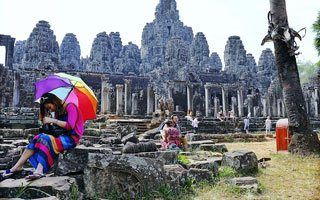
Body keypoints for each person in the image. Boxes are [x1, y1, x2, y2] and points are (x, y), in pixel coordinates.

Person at [1, 93, 84, 180]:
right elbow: (58, 127)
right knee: (37, 138)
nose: (50, 110)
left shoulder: (71, 107)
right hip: (60, 136)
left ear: (54, 102)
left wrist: (52, 120)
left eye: (49, 107)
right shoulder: (58, 112)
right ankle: (17, 166)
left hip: (71, 138)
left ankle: (39, 170)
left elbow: (70, 125)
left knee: (46, 139)